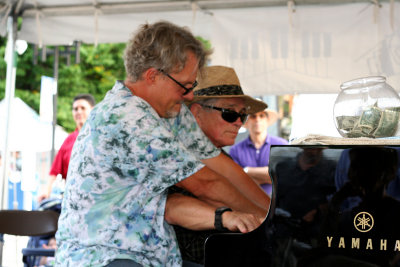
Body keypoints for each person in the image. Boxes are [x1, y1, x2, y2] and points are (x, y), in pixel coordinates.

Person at [55, 21, 268, 267]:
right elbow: (205, 183)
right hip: (103, 257)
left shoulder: (170, 112)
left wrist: (273, 214)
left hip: (150, 256)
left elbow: (223, 167)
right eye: (185, 86)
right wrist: (265, 223)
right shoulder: (127, 116)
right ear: (153, 75)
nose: (189, 96)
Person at [168, 65, 269, 264]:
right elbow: (176, 204)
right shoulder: (175, 150)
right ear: (196, 112)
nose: (239, 122)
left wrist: (270, 220)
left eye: (243, 115)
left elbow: (249, 197)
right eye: (230, 113)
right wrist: (265, 224)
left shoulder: (222, 156)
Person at [37, 93, 95, 202]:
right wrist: (46, 190)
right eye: (75, 109)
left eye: (83, 108)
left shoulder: (100, 137)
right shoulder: (69, 140)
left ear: (92, 110)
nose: (78, 112)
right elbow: (54, 170)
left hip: (95, 199)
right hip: (72, 200)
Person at [229, 107, 288, 196]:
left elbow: (283, 175)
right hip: (247, 203)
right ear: (246, 121)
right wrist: (268, 175)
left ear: (267, 120)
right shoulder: (236, 150)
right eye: (253, 116)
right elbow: (235, 181)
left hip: (278, 202)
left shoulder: (282, 145)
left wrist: (246, 170)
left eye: (261, 116)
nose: (257, 120)